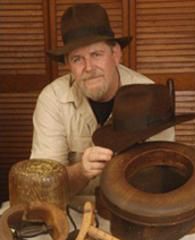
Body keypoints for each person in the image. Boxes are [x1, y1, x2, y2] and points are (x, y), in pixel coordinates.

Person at [30, 3, 174, 198]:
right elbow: (45, 188)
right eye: (77, 59)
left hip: (137, 209)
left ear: (115, 54)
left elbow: (162, 176)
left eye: (96, 54)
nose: (88, 67)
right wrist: (81, 171)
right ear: (68, 64)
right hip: (74, 210)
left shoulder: (149, 95)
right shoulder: (52, 99)